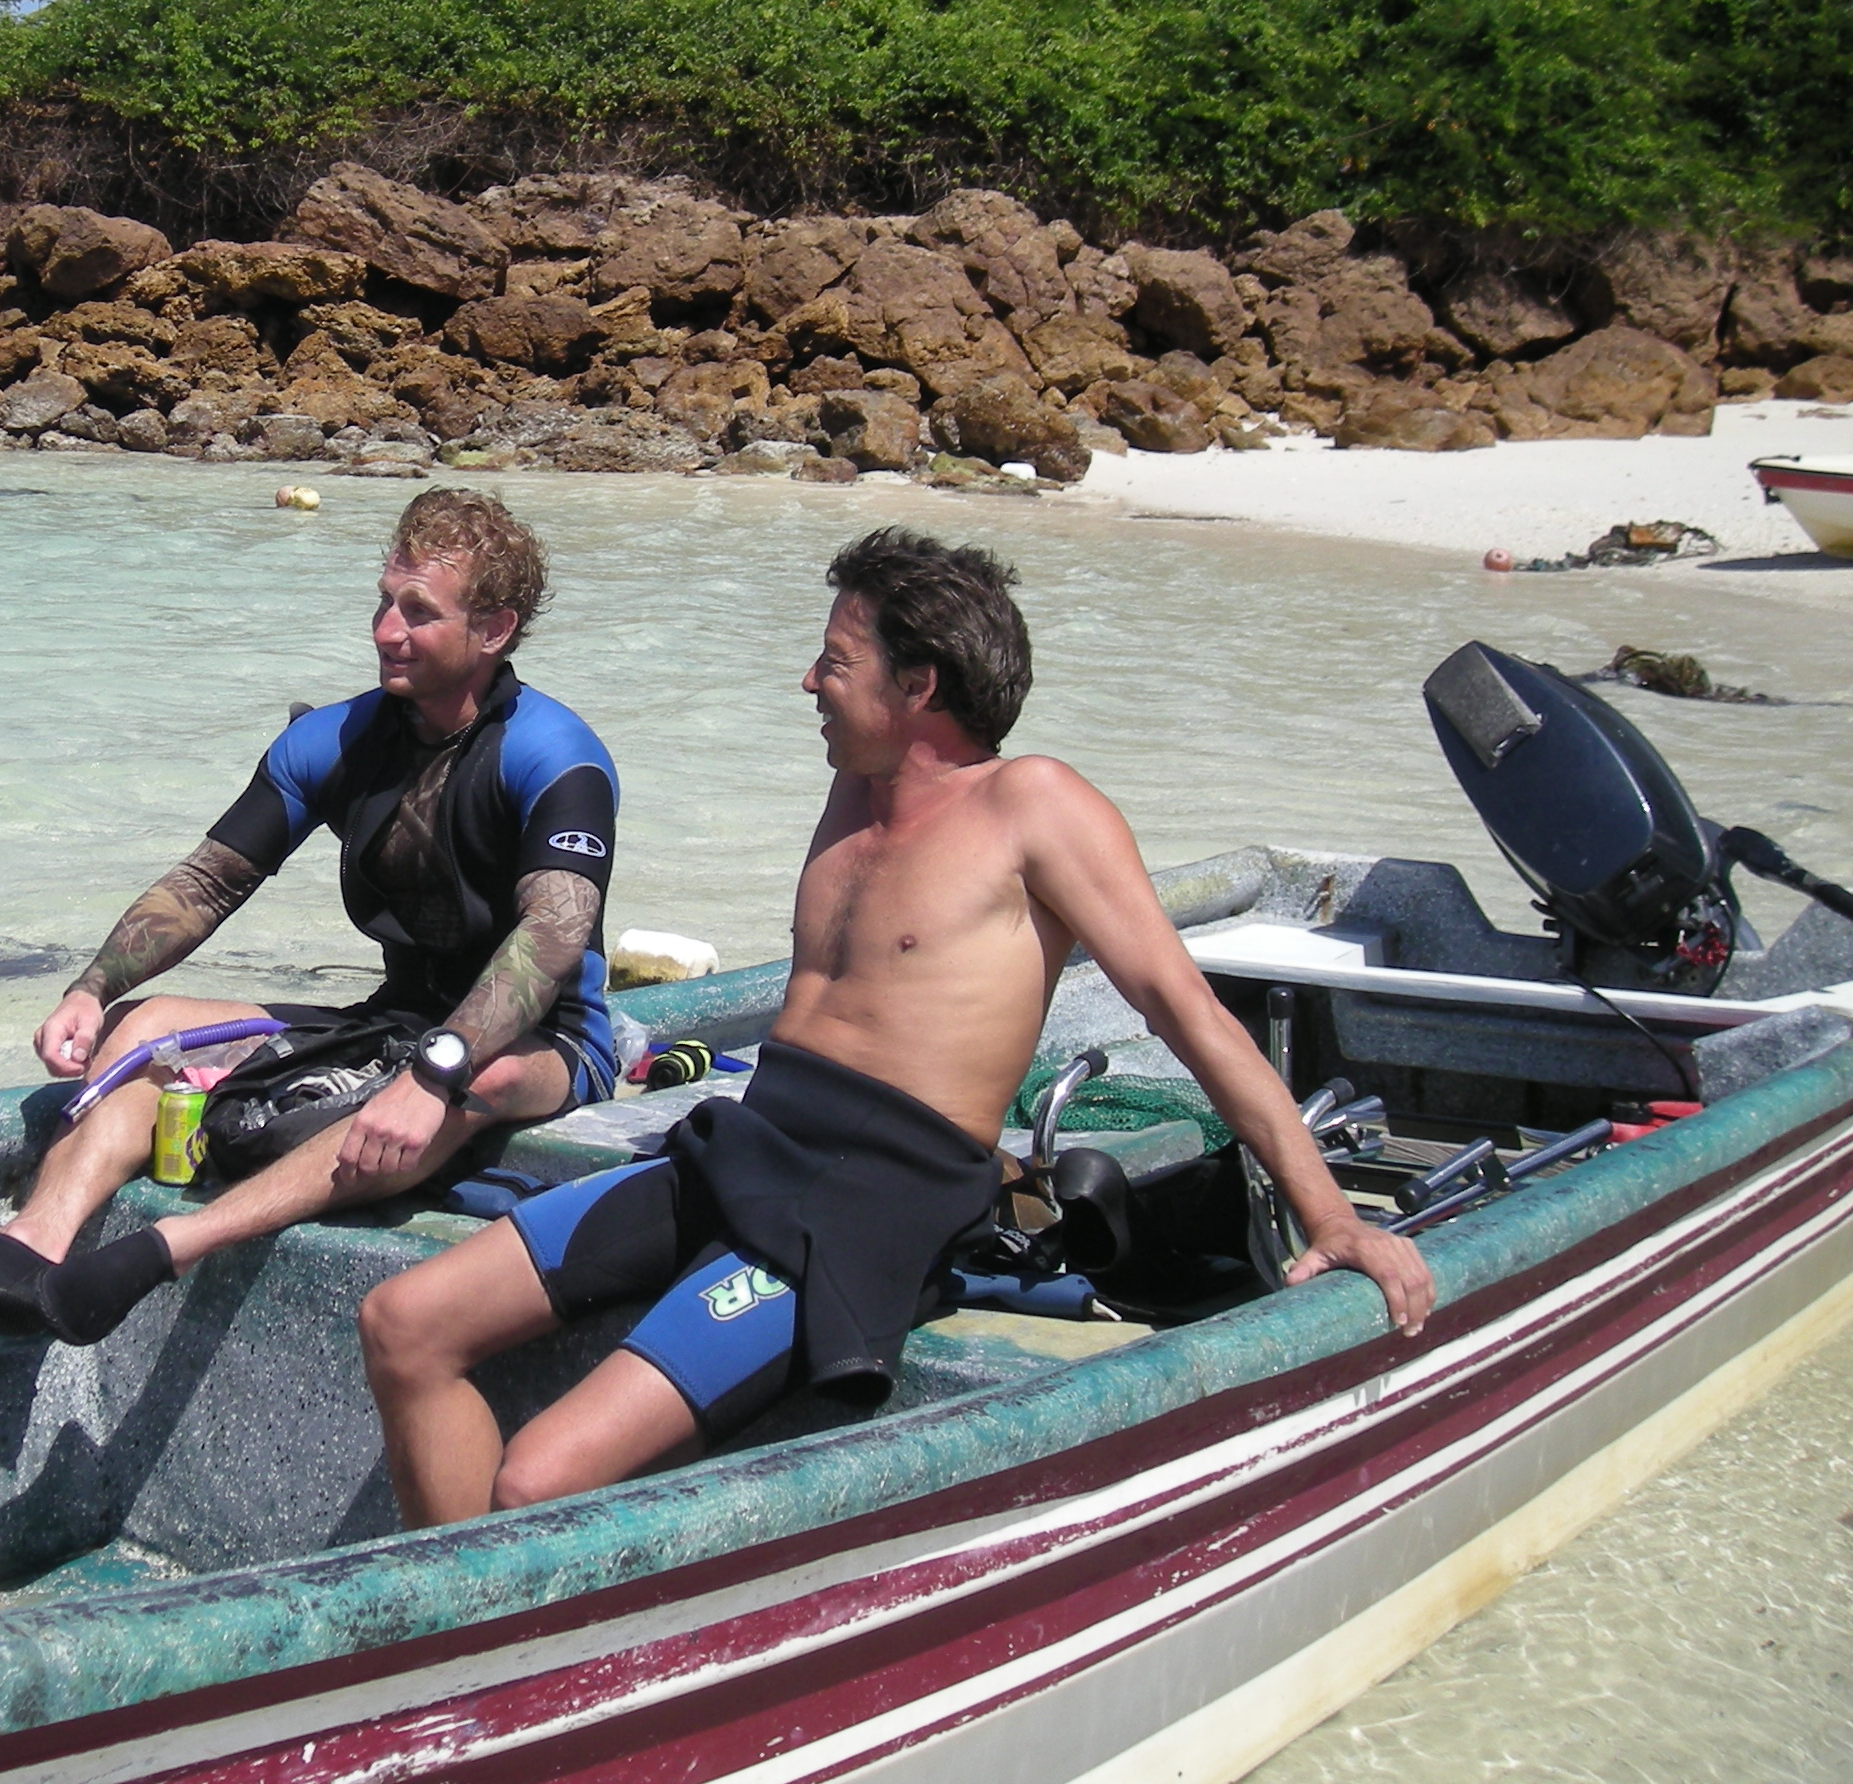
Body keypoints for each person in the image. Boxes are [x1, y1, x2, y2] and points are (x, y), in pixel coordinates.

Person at [358, 526, 1435, 1523]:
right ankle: (429, 1661)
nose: (809, 682)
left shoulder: (1035, 806)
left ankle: (498, 1690)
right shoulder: (853, 793)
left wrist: (1330, 1217)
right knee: (404, 1324)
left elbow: (1187, 1013)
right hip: (754, 1140)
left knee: (539, 1475)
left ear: (918, 684)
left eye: (834, 661)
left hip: (874, 1200)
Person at [0, 489, 622, 1348]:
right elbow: (208, 884)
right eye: (384, 601)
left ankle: (164, 1250)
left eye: (418, 613)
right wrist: (92, 988)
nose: (386, 630)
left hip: (545, 1041)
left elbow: (550, 938)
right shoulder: (336, 739)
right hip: (394, 1017)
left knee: (481, 1081)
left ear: (494, 630)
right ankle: (31, 1247)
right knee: (142, 1028)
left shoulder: (557, 756)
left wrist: (433, 1075)